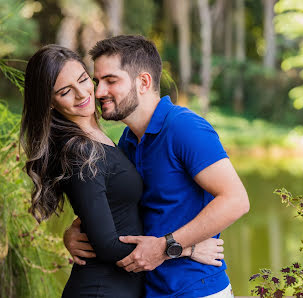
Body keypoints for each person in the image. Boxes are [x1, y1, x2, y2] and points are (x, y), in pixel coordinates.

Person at [20, 44, 226, 298]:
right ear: (49, 103)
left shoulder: (119, 139)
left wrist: (75, 230)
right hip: (102, 289)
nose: (83, 93)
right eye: (64, 92)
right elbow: (107, 245)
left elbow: (108, 208)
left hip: (156, 287)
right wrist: (186, 249)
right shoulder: (80, 150)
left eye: (84, 80)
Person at [64, 35, 250, 297]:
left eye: (111, 80)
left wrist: (168, 246)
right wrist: (73, 233)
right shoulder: (127, 142)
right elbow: (116, 208)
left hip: (197, 289)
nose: (98, 91)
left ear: (143, 82)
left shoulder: (183, 127)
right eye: (97, 81)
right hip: (147, 289)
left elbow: (236, 200)